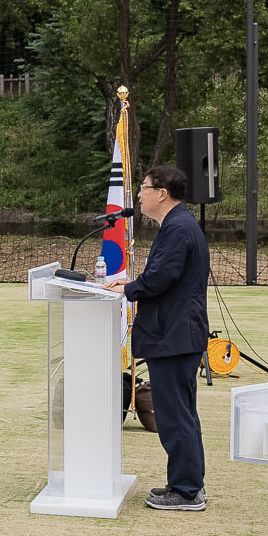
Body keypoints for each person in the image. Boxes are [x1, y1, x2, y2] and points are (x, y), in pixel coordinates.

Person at [106, 163, 209, 512]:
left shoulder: (178, 228)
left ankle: (186, 491)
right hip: (176, 333)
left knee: (174, 414)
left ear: (162, 193)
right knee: (180, 412)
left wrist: (130, 287)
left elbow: (159, 280)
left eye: (144, 188)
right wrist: (130, 284)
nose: (139, 194)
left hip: (175, 335)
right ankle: (187, 484)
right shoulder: (178, 224)